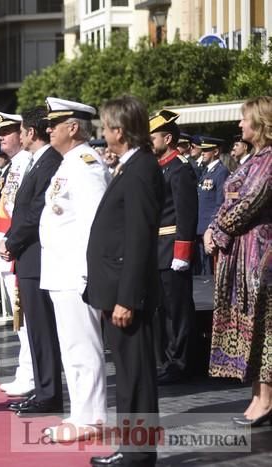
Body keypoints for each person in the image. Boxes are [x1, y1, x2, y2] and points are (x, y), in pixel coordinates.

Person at [85, 95, 164, 467]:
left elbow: (138, 239)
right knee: (129, 373)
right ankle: (133, 449)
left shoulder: (141, 170)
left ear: (119, 130)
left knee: (135, 376)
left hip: (126, 294)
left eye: (105, 126)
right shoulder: (132, 166)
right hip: (116, 289)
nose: (102, 133)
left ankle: (137, 454)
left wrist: (127, 298)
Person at [39, 97, 110, 442]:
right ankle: (82, 412)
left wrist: (89, 272)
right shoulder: (68, 163)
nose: (48, 129)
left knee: (83, 346)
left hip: (76, 272)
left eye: (55, 123)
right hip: (62, 271)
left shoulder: (85, 163)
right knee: (72, 347)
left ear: (73, 127)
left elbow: (97, 223)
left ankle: (92, 417)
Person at [205, 96, 272, 427]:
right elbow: (228, 198)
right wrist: (212, 229)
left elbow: (250, 202)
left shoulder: (270, 160)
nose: (240, 124)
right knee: (252, 326)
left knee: (264, 326)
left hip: (260, 256)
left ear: (259, 123)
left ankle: (266, 399)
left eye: (244, 119)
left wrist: (217, 232)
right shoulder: (253, 158)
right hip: (240, 254)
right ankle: (257, 395)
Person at [0, 107, 63, 416]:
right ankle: (42, 390)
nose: (19, 134)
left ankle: (49, 393)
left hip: (37, 256)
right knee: (36, 330)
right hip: (28, 257)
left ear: (30, 133)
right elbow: (21, 209)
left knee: (42, 330)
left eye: (21, 130)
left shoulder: (50, 162)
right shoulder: (38, 162)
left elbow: (37, 211)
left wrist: (12, 241)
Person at [148, 110, 199, 386]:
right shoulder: (160, 167)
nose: (149, 141)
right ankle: (168, 360)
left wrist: (182, 253)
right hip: (157, 249)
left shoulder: (179, 168)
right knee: (163, 310)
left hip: (171, 248)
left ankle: (180, 362)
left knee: (177, 310)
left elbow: (185, 214)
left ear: (167, 138)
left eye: (153, 136)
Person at [0, 112, 35, 397]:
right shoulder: (12, 166)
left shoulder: (26, 163)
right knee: (20, 319)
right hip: (5, 245)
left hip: (16, 248)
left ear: (22, 133)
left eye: (7, 130)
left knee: (24, 318)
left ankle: (28, 373)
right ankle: (26, 371)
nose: (0, 137)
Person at [195, 136, 230, 275]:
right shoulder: (206, 171)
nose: (202, 152)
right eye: (202, 149)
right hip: (200, 228)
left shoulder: (221, 172)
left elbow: (220, 202)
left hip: (209, 229)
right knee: (203, 271)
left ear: (215, 151)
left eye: (206, 150)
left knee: (210, 273)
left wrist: (212, 227)